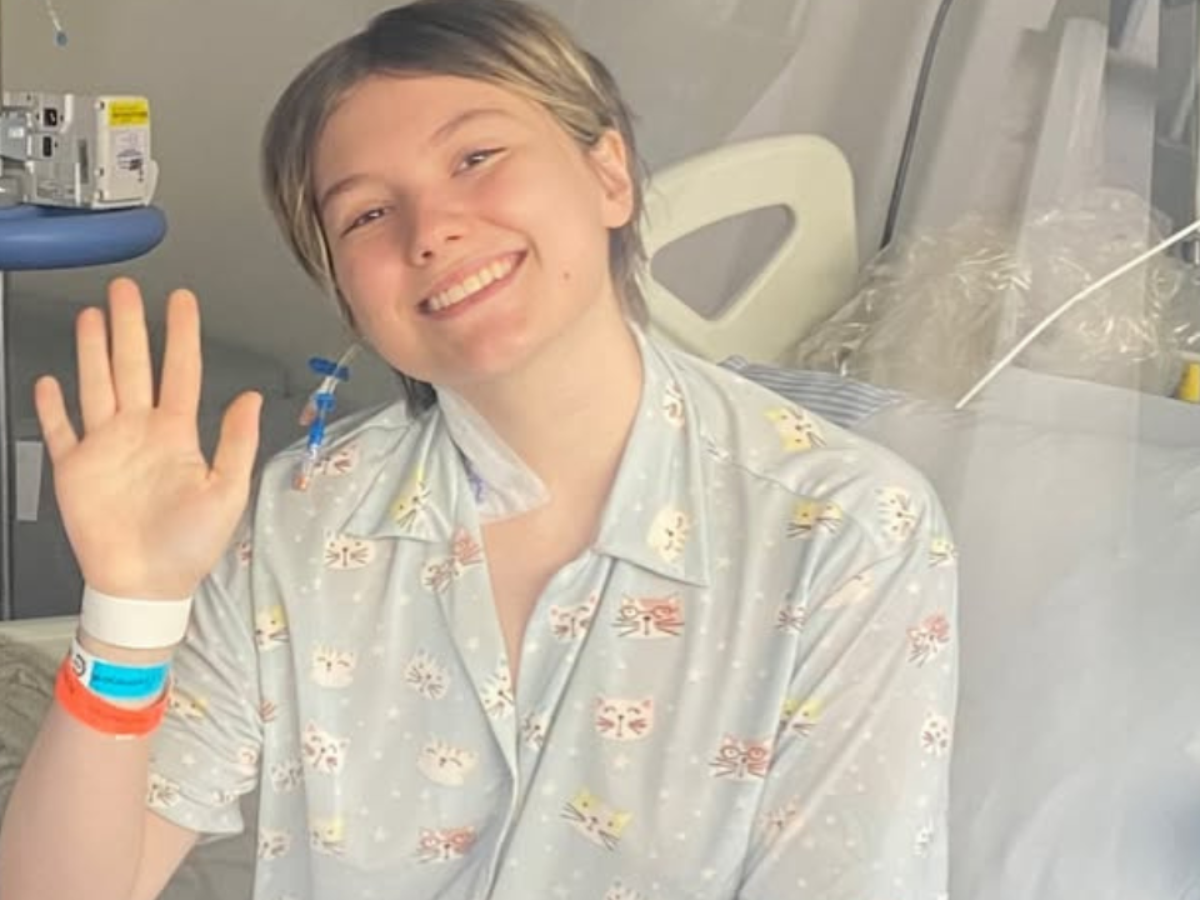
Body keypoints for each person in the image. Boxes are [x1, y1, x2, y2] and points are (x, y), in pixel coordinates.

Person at [0, 1, 958, 897]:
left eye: (477, 157)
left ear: (609, 174)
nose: (432, 231)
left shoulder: (843, 535)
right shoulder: (298, 526)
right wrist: (129, 611)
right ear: (345, 291)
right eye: (367, 214)